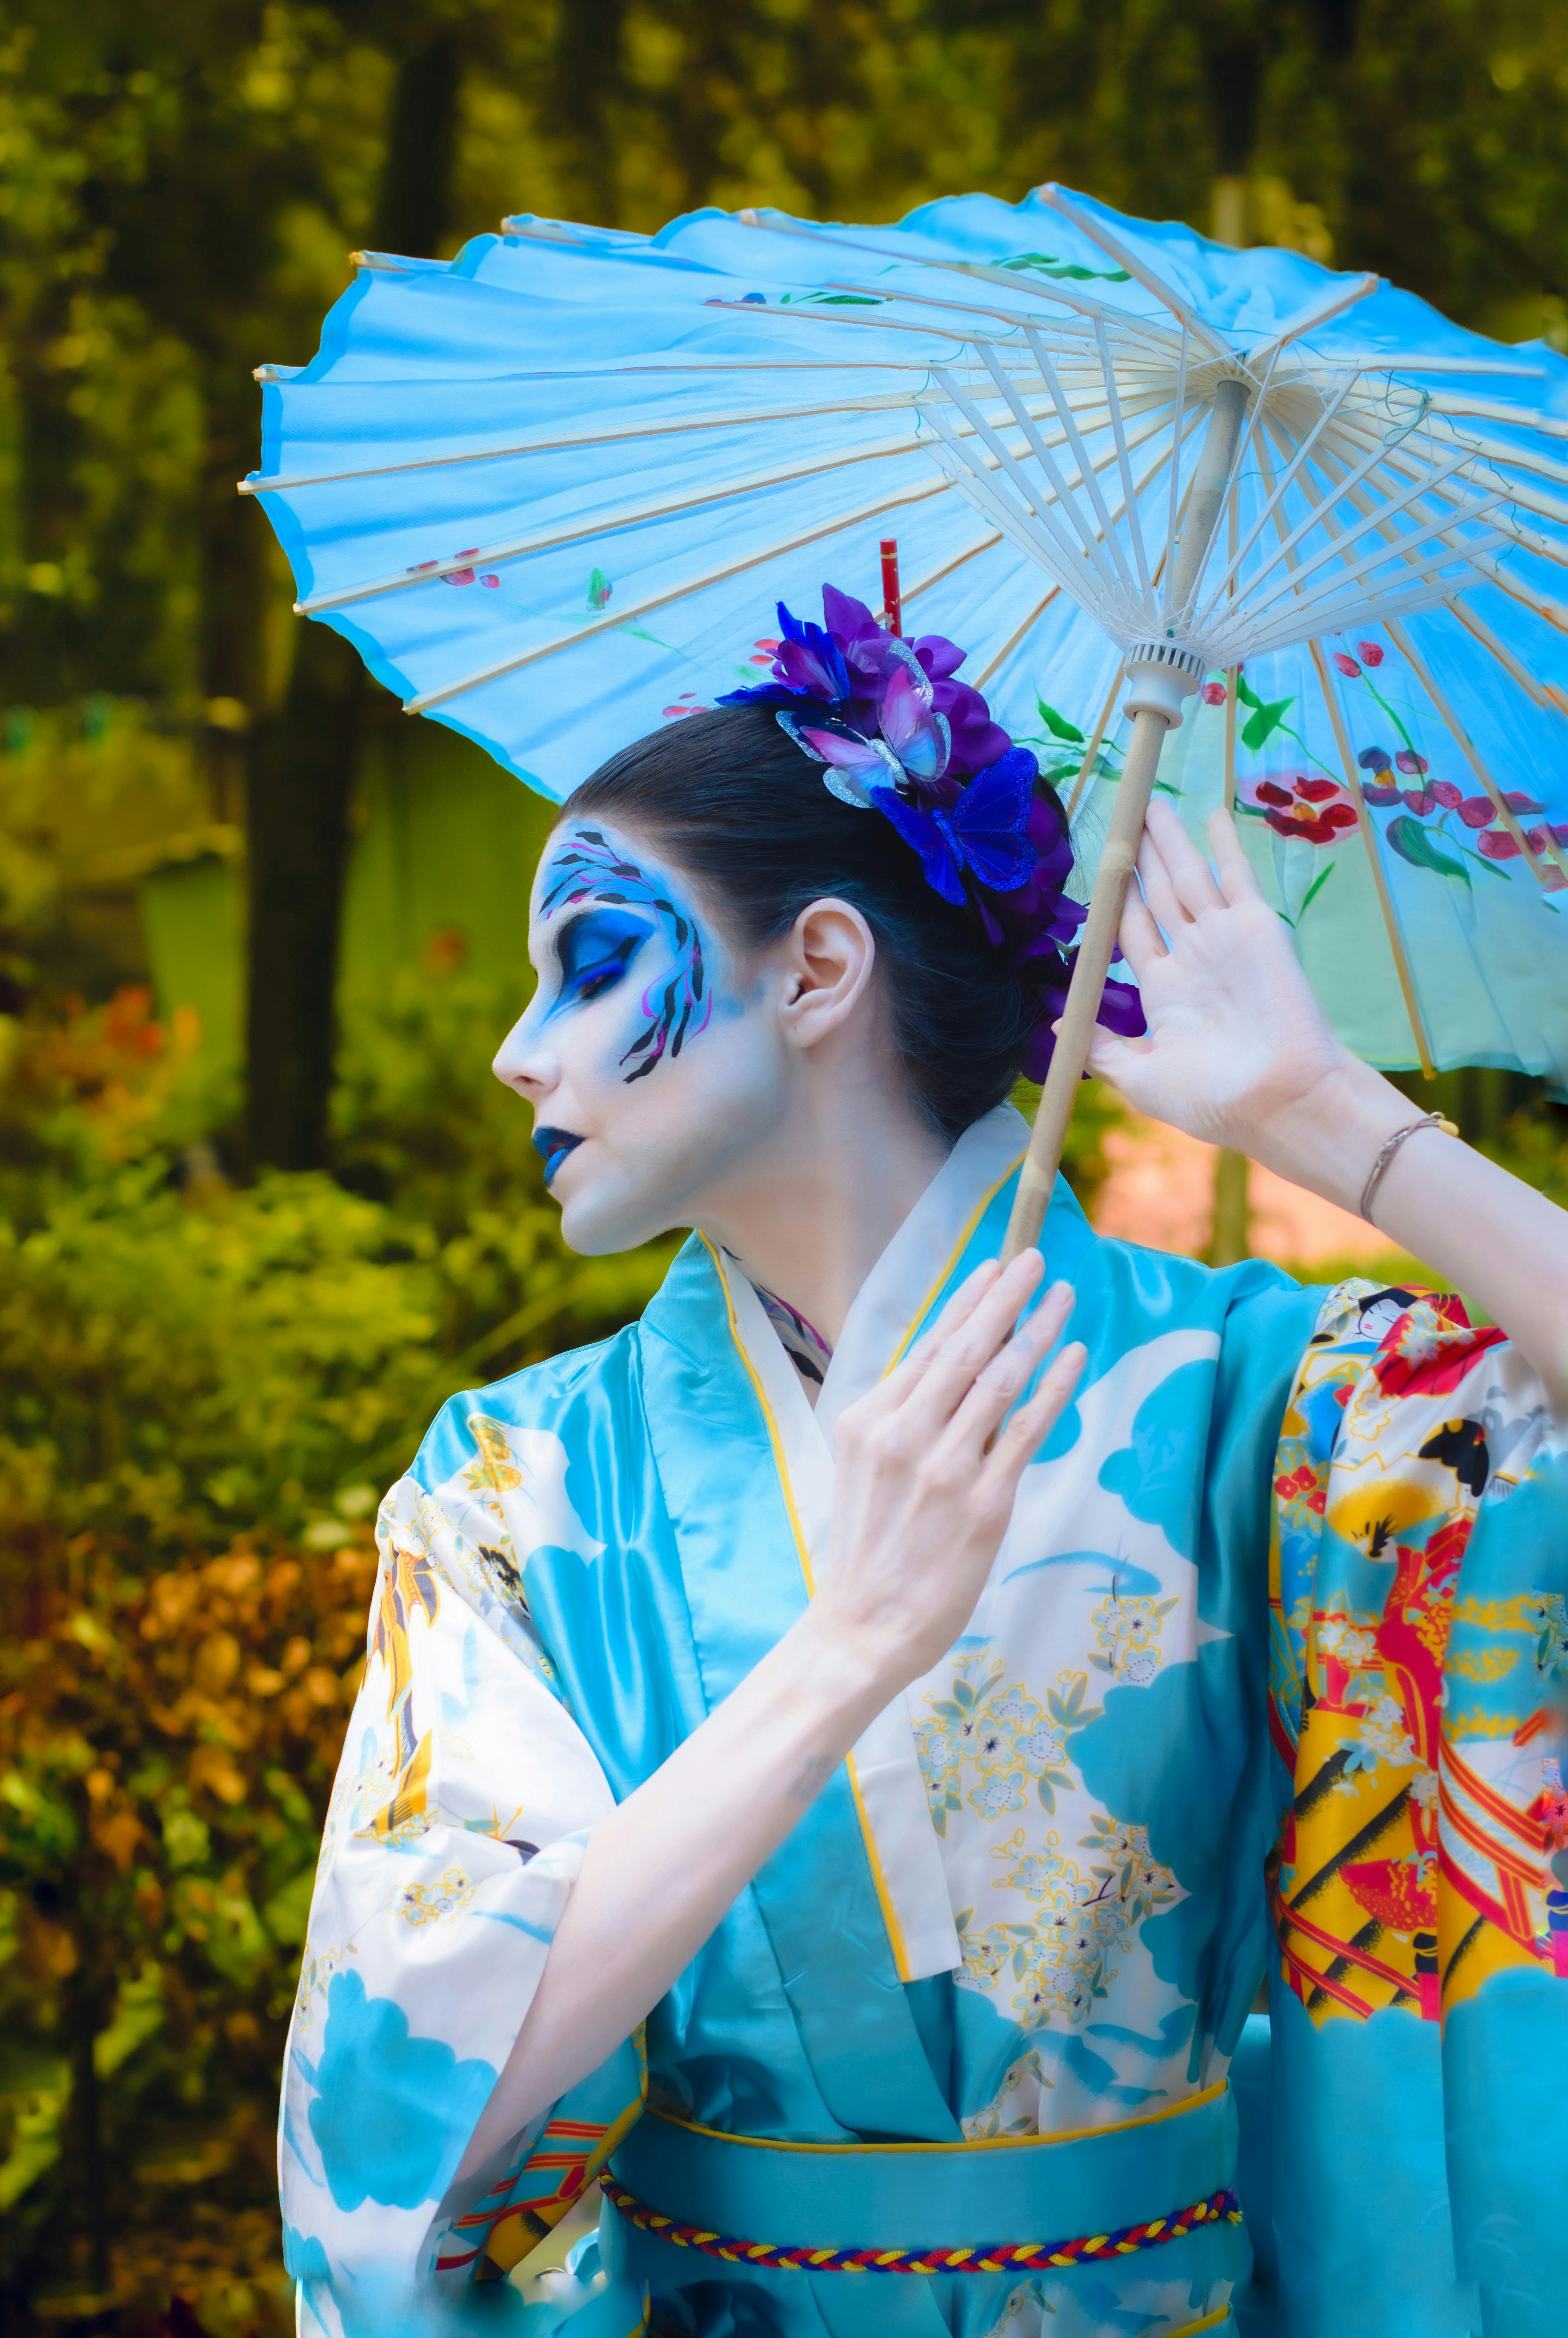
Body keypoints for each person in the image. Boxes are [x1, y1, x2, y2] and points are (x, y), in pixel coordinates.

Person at [279, 590, 1568, 2338]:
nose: (523, 1048)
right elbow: (413, 2103)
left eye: (590, 961)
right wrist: (851, 1640)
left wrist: (1320, 1114)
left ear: (817, 968)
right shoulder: (513, 1484)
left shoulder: (1244, 1398)